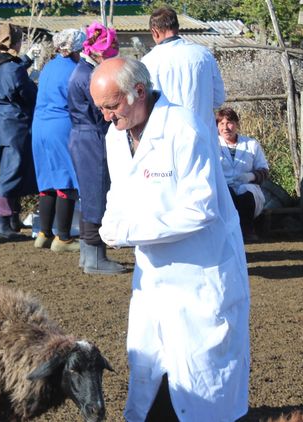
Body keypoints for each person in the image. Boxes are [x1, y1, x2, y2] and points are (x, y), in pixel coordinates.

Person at [90, 57, 250, 421]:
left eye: (111, 107)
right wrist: (111, 223)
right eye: (100, 109)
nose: (106, 117)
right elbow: (120, 193)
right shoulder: (116, 137)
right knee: (150, 362)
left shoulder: (184, 128)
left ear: (139, 93)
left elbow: (200, 208)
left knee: (203, 370)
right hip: (155, 276)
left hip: (201, 271)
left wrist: (128, 232)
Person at [67, 22, 125, 275]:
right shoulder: (88, 76)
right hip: (92, 139)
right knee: (96, 195)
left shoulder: (81, 71)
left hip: (84, 137)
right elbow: (100, 111)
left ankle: (87, 254)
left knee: (90, 194)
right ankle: (95, 256)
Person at [31, 28, 86, 253]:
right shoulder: (75, 70)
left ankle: (44, 233)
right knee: (66, 180)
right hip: (60, 126)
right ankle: (63, 237)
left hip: (39, 126)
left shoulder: (48, 67)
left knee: (47, 181)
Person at [141, 6, 225, 146]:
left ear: (154, 32)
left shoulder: (148, 63)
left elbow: (145, 107)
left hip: (168, 141)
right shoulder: (203, 55)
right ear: (177, 27)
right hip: (204, 140)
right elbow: (218, 99)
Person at [0, 23, 39, 239]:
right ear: (15, 42)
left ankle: (12, 218)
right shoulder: (13, 69)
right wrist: (35, 81)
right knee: (12, 170)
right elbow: (27, 93)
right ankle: (2, 223)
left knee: (9, 167)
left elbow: (11, 67)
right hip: (13, 123)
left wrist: (26, 59)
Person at [216, 107, 270, 242]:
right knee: (227, 194)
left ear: (236, 124)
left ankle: (247, 229)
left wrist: (250, 177)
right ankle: (228, 232)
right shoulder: (213, 145)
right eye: (221, 123)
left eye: (229, 122)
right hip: (223, 186)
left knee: (245, 194)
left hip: (246, 186)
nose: (226, 127)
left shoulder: (251, 144)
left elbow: (264, 170)